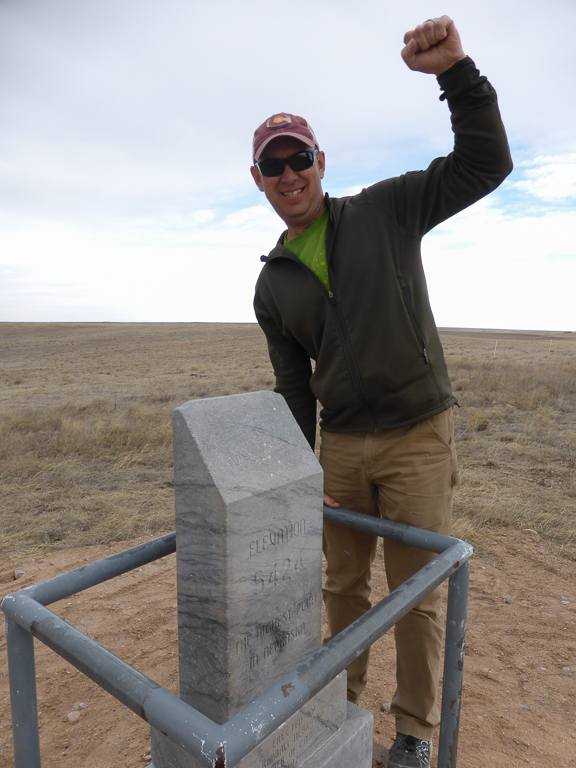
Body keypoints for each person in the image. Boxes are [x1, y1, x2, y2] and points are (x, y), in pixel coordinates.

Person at [251, 15, 512, 768]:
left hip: (417, 435)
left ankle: (414, 735)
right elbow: (294, 391)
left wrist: (456, 75)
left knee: (418, 595)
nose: (290, 174)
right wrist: (305, 474)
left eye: (299, 157)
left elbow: (485, 164)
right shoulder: (271, 285)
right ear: (258, 180)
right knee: (339, 589)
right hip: (340, 449)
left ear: (321, 161)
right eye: (275, 165)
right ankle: (337, 708)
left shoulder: (386, 210)